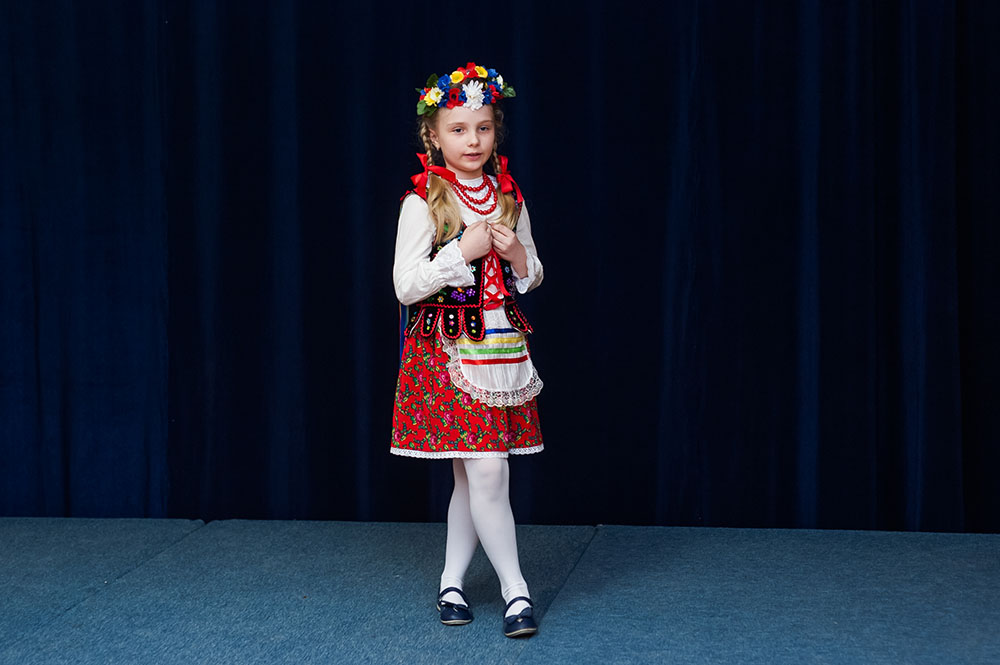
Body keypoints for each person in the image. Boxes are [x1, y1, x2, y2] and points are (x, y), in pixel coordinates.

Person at [390, 62, 543, 638]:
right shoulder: (422, 200)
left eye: (482, 128)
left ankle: (451, 582)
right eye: (457, 129)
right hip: (448, 352)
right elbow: (405, 285)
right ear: (434, 135)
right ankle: (516, 591)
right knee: (488, 471)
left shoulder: (508, 193)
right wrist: (462, 252)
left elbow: (531, 270)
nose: (472, 140)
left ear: (495, 130)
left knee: (473, 478)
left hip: (501, 345)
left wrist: (517, 256)